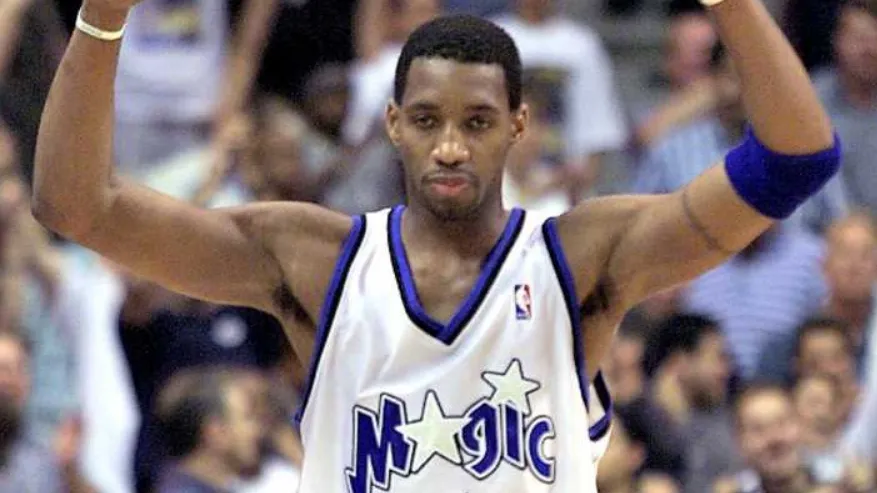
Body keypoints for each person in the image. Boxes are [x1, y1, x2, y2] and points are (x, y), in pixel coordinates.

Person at [32, 0, 839, 491]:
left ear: (518, 125)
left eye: (477, 121)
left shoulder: (579, 256)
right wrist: (103, 16)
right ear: (392, 124)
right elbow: (77, 205)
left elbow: (794, 159)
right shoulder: (315, 258)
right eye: (426, 120)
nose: (449, 146)